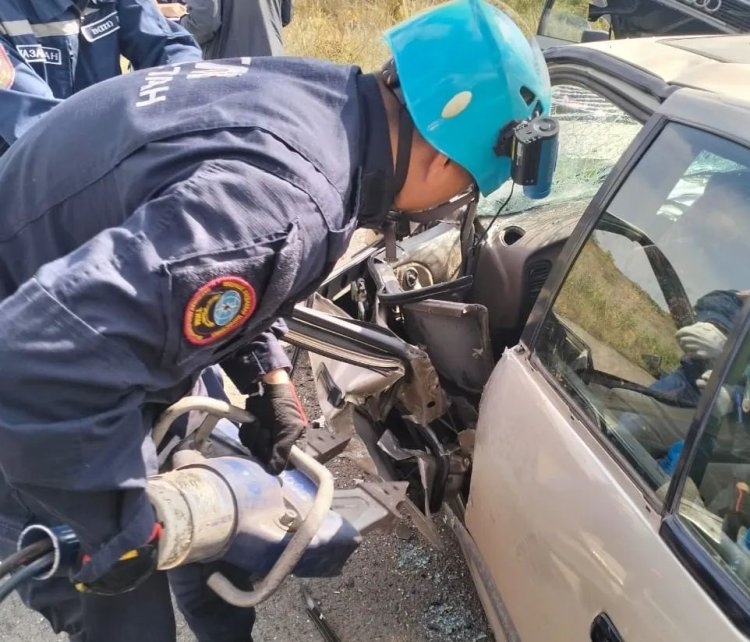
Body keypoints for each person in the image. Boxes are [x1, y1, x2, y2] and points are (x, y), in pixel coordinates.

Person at [0, 0, 550, 640]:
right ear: (441, 160)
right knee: (126, 614)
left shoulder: (321, 102)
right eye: (461, 195)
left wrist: (273, 383)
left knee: (219, 551)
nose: (441, 213)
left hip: (102, 342)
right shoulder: (289, 200)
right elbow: (33, 361)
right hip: (41, 390)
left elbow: (217, 262)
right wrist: (123, 533)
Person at [0, 0, 202, 152]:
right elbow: (37, 123)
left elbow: (169, 46)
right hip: (28, 181)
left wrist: (180, 103)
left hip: (111, 152)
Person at [178, 0, 293, 58]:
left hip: (230, 69)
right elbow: (285, 15)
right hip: (273, 61)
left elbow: (202, 25)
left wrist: (174, 25)